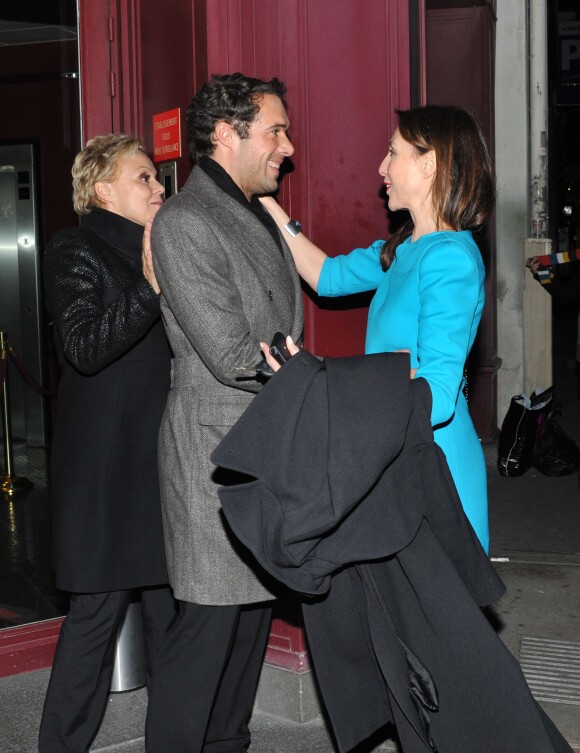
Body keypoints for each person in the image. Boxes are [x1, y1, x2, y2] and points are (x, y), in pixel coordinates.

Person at [144, 73, 304, 753]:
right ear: (225, 133)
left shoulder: (248, 211)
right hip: (213, 456)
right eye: (273, 130)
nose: (287, 147)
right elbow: (234, 350)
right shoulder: (183, 220)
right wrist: (306, 376)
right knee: (203, 646)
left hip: (256, 451)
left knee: (244, 642)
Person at [260, 104, 494, 552]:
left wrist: (328, 381)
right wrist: (264, 201)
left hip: (435, 462)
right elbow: (326, 277)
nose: (381, 167)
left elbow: (439, 392)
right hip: (398, 450)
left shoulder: (450, 258)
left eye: (393, 153)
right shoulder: (404, 248)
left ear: (429, 165)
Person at [39, 134, 177, 753]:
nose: (158, 187)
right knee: (94, 620)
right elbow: (85, 348)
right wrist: (149, 291)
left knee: (172, 619)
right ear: (102, 189)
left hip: (160, 462)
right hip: (104, 471)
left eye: (156, 177)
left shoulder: (164, 250)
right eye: (143, 177)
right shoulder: (75, 247)